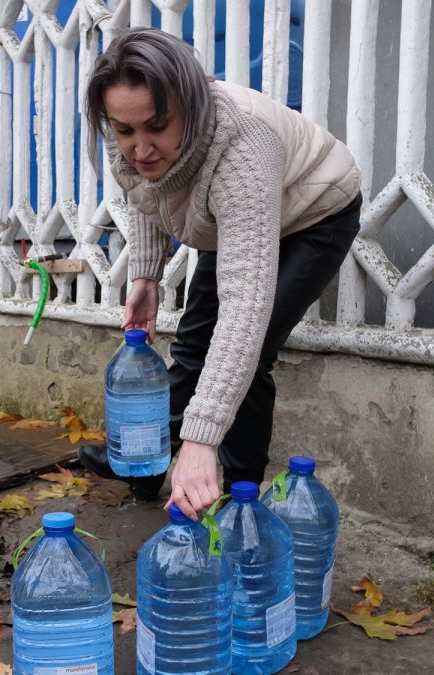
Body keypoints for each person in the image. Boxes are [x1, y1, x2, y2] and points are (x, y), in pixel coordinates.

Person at [78, 29, 363, 520]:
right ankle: (146, 467)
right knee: (192, 344)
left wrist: (203, 438)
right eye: (126, 132)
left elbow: (243, 317)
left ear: (188, 108)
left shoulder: (243, 147)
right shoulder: (125, 124)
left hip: (314, 213)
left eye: (156, 127)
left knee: (249, 354)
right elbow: (147, 191)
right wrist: (146, 276)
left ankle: (238, 503)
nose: (139, 147)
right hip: (226, 216)